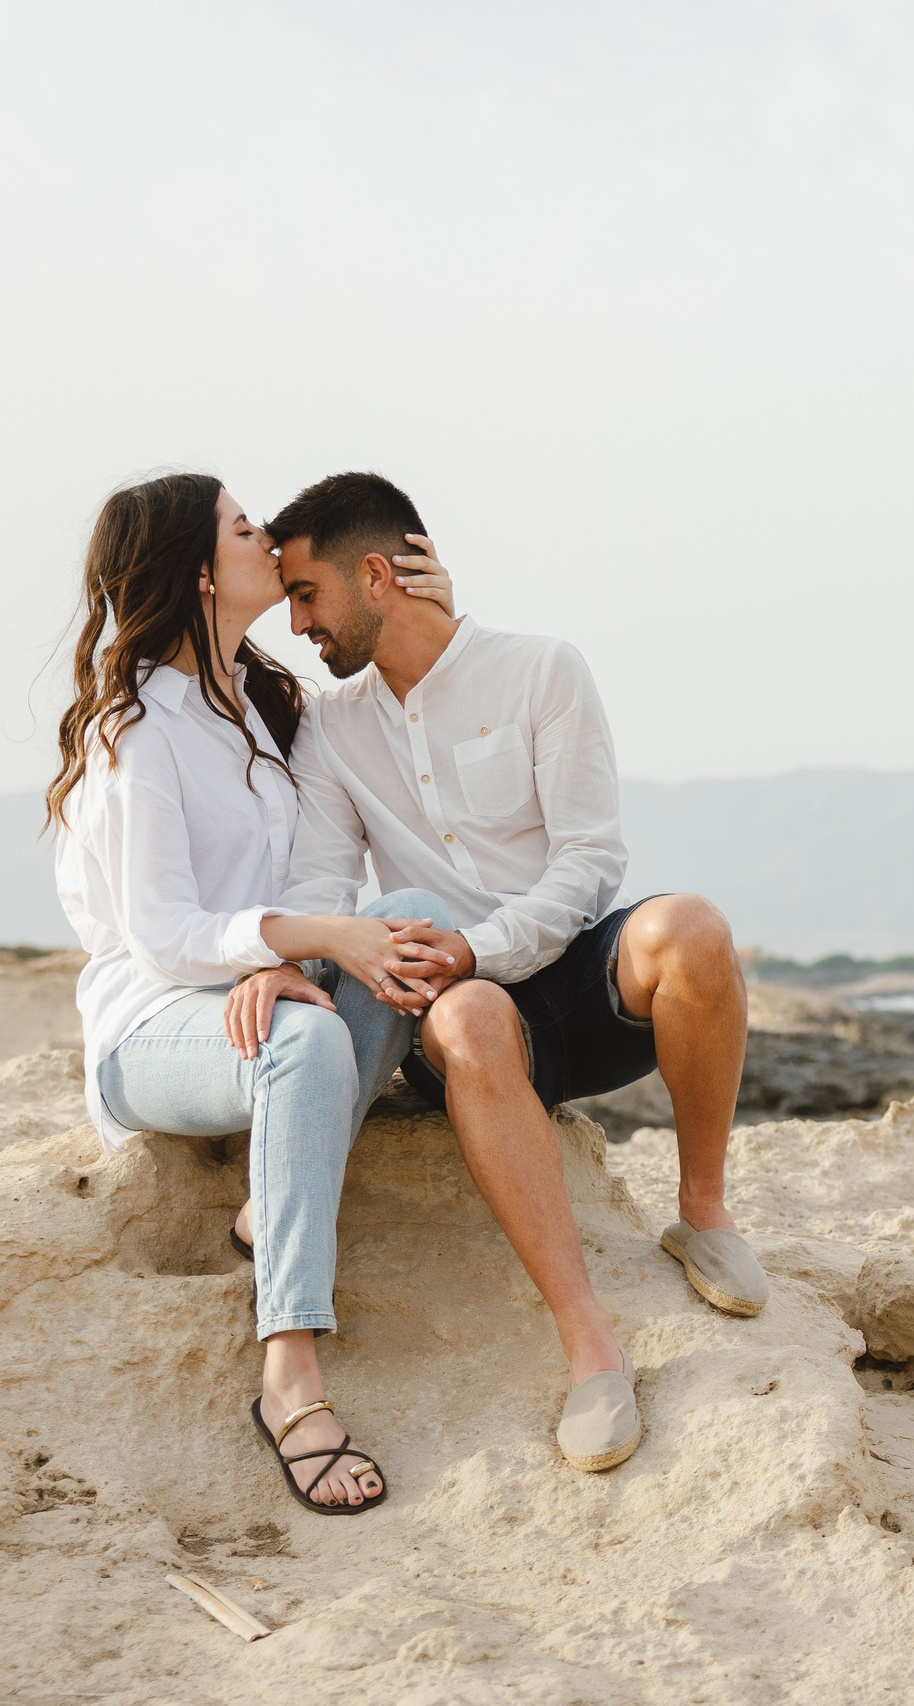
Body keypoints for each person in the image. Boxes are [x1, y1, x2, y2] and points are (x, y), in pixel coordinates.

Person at [263, 470, 759, 1477]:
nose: (297, 623)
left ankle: (702, 1211)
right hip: (467, 1018)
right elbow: (319, 881)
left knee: (695, 927)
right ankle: (591, 1347)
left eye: (307, 596)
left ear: (374, 575)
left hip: (570, 966)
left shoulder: (540, 670)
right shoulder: (331, 728)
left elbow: (589, 858)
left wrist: (485, 942)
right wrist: (333, 952)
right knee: (472, 1017)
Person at [48, 472, 461, 1515]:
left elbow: (395, 708)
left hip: (253, 990)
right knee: (308, 1043)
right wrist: (289, 949)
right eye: (244, 526)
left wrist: (429, 617)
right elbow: (163, 934)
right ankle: (290, 1378)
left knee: (406, 910)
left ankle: (266, 1201)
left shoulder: (268, 705)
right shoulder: (135, 732)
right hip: (150, 1020)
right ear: (197, 568)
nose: (269, 535)